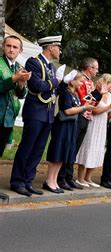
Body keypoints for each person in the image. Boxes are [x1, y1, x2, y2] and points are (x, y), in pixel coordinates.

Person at [10, 35, 62, 197]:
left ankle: (27, 181)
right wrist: (56, 81)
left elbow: (52, 89)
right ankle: (17, 181)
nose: (60, 51)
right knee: (27, 147)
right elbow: (38, 85)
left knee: (38, 150)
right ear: (50, 47)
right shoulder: (33, 62)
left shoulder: (53, 68)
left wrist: (61, 82)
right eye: (58, 47)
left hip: (47, 114)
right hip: (35, 112)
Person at [43, 71, 94, 193]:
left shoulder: (74, 94)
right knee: (57, 152)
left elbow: (75, 110)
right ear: (72, 81)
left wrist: (84, 108)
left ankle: (54, 180)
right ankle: (49, 180)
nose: (82, 83)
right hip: (63, 126)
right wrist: (83, 108)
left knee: (63, 154)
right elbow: (67, 111)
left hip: (71, 125)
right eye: (80, 80)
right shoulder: (66, 93)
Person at [58, 57, 99, 190]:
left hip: (86, 117)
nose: (96, 71)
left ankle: (68, 176)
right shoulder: (79, 78)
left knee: (74, 149)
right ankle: (62, 176)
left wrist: (97, 95)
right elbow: (82, 99)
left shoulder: (90, 82)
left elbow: (91, 102)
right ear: (90, 68)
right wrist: (97, 94)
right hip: (79, 116)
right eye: (96, 68)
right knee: (70, 147)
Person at [0, 36, 30, 200]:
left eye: (15, 47)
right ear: (3, 47)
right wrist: (13, 79)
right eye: (8, 46)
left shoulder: (19, 67)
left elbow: (20, 95)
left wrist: (21, 84)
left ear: (20, 50)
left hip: (7, 117)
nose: (11, 49)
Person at [75, 73, 111, 187]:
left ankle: (88, 178)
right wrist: (109, 106)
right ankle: (80, 177)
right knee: (88, 148)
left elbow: (109, 113)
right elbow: (95, 111)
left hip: (102, 124)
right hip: (94, 122)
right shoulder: (96, 93)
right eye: (110, 86)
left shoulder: (110, 96)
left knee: (97, 149)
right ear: (104, 83)